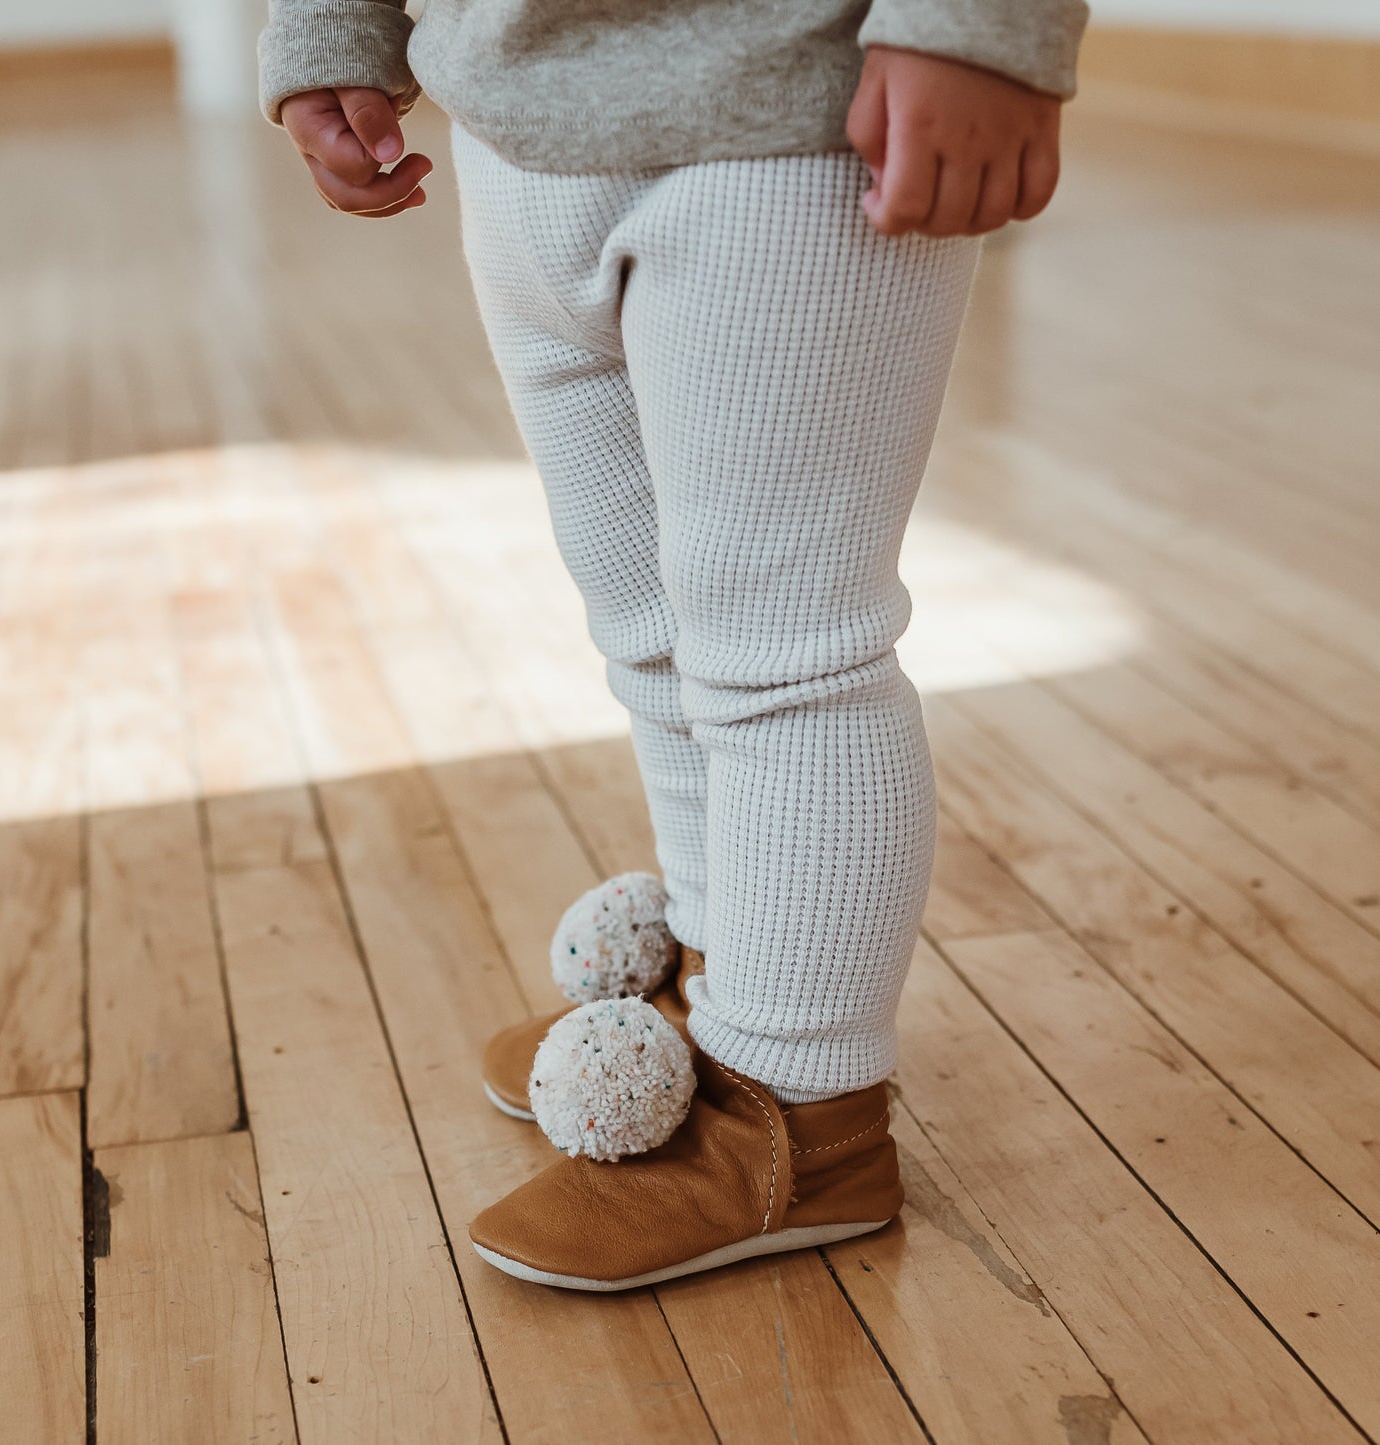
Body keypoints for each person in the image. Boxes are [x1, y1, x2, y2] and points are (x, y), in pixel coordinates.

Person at [258, 0, 1086, 1291]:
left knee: (786, 653)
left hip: (792, 107)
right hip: (515, 118)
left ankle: (801, 1121)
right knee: (644, 621)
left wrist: (979, 23)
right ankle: (714, 975)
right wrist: (328, 29)